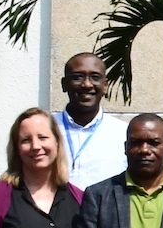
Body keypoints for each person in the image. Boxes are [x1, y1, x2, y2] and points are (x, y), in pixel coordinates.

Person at [52, 52, 129, 193]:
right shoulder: (46, 129)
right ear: (64, 84)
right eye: (77, 77)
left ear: (105, 85)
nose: (87, 85)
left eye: (95, 77)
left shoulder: (123, 133)